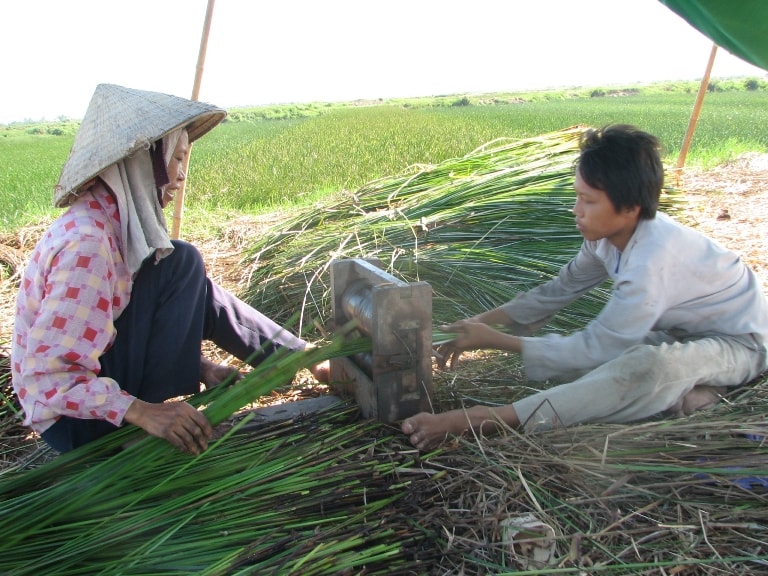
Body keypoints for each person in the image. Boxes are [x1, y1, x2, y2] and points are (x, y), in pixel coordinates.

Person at [402, 124, 768, 450]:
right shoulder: (605, 239)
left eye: (588, 201)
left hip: (740, 342)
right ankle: (692, 394)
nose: (576, 210)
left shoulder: (652, 259)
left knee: (645, 367)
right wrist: (475, 326)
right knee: (592, 365)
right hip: (680, 333)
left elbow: (598, 346)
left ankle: (488, 419)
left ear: (631, 208)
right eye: (577, 196)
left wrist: (495, 340)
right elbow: (555, 292)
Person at [11, 84, 326, 455]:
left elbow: (138, 318)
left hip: (93, 399)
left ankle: (306, 358)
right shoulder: (88, 244)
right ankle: (304, 360)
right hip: (74, 424)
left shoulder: (114, 227)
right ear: (144, 162)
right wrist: (146, 413)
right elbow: (47, 377)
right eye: (176, 160)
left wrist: (199, 366)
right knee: (182, 262)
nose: (180, 176)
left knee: (176, 262)